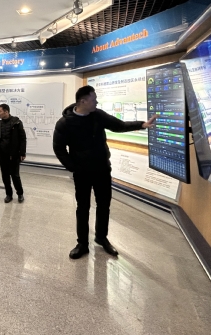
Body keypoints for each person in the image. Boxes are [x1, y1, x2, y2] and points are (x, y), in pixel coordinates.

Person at [53, 86, 157, 260]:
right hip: (82, 173)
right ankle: (82, 244)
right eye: (94, 99)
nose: (97, 102)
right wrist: (73, 167)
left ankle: (101, 237)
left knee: (104, 205)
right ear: (83, 101)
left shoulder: (98, 115)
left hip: (102, 169)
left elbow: (118, 126)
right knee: (83, 207)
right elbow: (59, 148)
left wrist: (142, 125)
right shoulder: (64, 123)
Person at [0, 103, 27, 203]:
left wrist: (22, 153)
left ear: (6, 112)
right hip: (2, 153)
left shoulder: (17, 122)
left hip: (14, 154)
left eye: (0, 111)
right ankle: (9, 194)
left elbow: (22, 138)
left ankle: (20, 194)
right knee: (5, 175)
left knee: (15, 175)